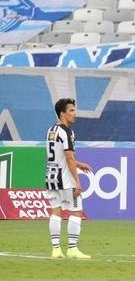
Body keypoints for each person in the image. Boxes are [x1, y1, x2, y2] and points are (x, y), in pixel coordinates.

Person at [45, 97, 93, 260]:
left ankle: (56, 249)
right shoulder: (67, 132)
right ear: (62, 113)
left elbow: (61, 156)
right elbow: (68, 158)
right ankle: (72, 249)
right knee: (76, 211)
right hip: (65, 179)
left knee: (56, 211)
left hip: (51, 176)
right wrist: (77, 182)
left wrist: (79, 164)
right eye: (71, 110)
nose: (75, 113)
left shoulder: (51, 130)